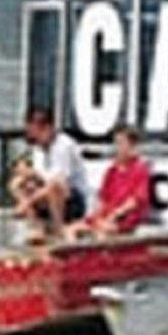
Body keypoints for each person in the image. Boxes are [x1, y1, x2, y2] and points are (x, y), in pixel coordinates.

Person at [10, 104, 88, 242]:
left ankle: (59, 229)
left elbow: (57, 181)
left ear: (48, 129)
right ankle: (36, 227)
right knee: (17, 183)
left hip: (72, 199)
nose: (35, 137)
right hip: (48, 192)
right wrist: (27, 176)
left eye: (37, 132)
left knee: (54, 188)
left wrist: (27, 202)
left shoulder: (64, 146)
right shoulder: (38, 149)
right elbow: (39, 178)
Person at [75, 122, 153, 238]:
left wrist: (114, 215)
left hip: (123, 219)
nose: (117, 147)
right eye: (116, 143)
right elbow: (103, 199)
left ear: (131, 145)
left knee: (100, 232)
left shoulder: (140, 169)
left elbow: (136, 201)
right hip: (106, 216)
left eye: (121, 143)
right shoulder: (111, 171)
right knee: (71, 229)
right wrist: (97, 217)